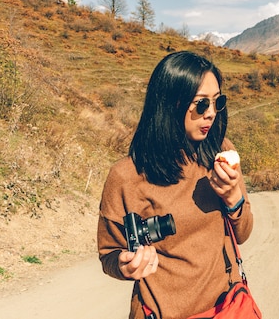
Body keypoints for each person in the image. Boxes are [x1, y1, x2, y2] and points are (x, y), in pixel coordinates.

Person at [97, 50, 253, 319]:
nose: (212, 114)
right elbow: (109, 253)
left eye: (218, 102)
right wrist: (125, 267)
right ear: (170, 104)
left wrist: (233, 197)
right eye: (201, 104)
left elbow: (243, 233)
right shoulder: (127, 176)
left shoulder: (219, 153)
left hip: (227, 308)